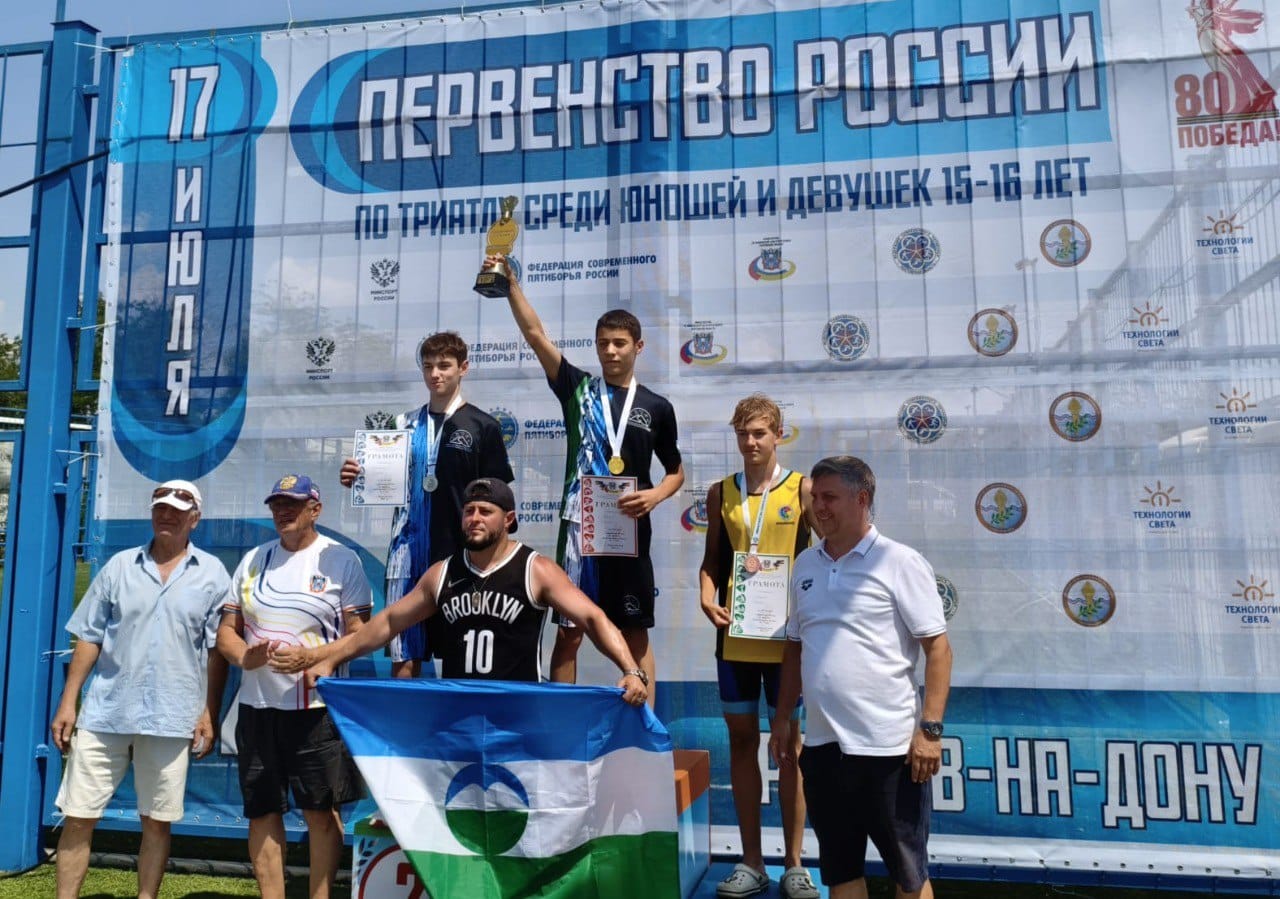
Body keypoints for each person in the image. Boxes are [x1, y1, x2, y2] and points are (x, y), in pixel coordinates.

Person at [268, 478, 648, 707]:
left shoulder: (536, 569)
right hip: (457, 712)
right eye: (469, 511)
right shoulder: (443, 573)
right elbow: (387, 623)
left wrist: (631, 670)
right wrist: (329, 658)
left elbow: (593, 618)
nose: (475, 518)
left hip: (518, 712)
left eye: (485, 511)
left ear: (509, 519)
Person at [498, 257, 683, 697]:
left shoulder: (656, 406)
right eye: (603, 344)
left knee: (635, 633)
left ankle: (646, 728)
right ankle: (565, 722)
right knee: (569, 632)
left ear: (638, 346)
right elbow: (535, 334)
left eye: (620, 343)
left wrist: (655, 496)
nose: (611, 351)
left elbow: (676, 471)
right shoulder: (576, 389)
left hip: (628, 528)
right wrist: (511, 286)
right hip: (579, 529)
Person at [769, 456, 953, 899]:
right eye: (815, 497)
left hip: (889, 750)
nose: (819, 507)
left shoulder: (900, 561)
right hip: (823, 748)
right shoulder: (806, 565)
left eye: (830, 497)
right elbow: (794, 648)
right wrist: (781, 719)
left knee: (909, 877)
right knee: (841, 873)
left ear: (862, 499)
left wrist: (929, 731)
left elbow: (939, 649)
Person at [50, 480, 230, 899]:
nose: (166, 516)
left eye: (177, 511)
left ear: (195, 519)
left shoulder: (213, 574)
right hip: (105, 712)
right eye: (159, 509)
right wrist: (68, 701)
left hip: (173, 715)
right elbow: (89, 637)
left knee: (157, 821)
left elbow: (216, 653)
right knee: (78, 815)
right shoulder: (118, 567)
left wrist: (208, 711)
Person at [217, 475, 372, 899]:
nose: (283, 511)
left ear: (315, 509)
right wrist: (244, 657)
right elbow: (226, 632)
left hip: (315, 709)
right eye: (277, 505)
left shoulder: (341, 560)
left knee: (320, 812)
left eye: (293, 504)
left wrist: (314, 658)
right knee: (262, 811)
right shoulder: (253, 559)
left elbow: (362, 634)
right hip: (257, 706)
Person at [698, 395, 818, 899]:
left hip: (788, 641)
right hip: (736, 637)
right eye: (743, 433)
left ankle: (794, 864)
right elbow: (712, 562)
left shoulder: (803, 489)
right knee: (742, 741)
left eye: (760, 433)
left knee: (790, 747)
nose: (750, 442)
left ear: (778, 435)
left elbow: (823, 557)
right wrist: (706, 596)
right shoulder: (720, 492)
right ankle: (751, 861)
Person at [340, 330, 513, 678]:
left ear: (463, 367)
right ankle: (402, 716)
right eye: (428, 366)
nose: (435, 374)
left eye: (444, 365)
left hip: (461, 555)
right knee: (404, 653)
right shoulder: (401, 425)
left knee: (460, 656)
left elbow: (497, 496)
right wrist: (358, 475)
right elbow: (381, 480)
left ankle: (455, 716)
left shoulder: (483, 426)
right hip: (407, 551)